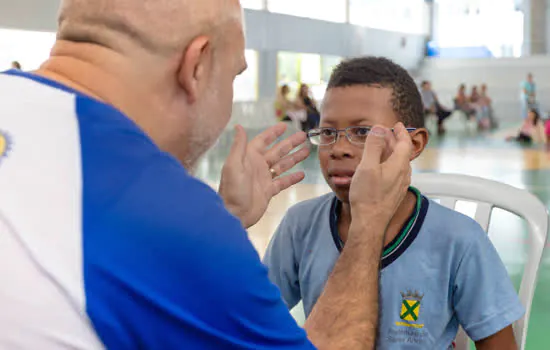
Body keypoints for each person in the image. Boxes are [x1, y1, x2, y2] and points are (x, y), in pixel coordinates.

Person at [0, 0, 414, 349]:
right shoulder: (162, 214)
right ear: (196, 65)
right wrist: (368, 223)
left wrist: (226, 216)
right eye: (235, 74)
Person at [264, 57, 524, 349]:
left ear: (412, 145)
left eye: (362, 132)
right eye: (327, 133)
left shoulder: (460, 240)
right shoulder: (299, 225)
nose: (338, 149)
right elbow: (251, 324)